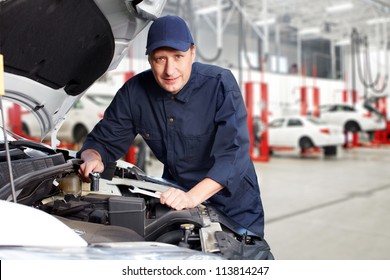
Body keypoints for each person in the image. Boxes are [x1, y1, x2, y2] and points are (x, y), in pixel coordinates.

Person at [77, 15, 265, 237]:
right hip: (177, 197)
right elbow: (102, 142)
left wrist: (192, 197)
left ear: (192, 53)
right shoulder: (135, 93)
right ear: (149, 59)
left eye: (178, 56)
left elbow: (233, 155)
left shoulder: (220, 84)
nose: (170, 70)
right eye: (160, 59)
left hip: (234, 204)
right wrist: (92, 158)